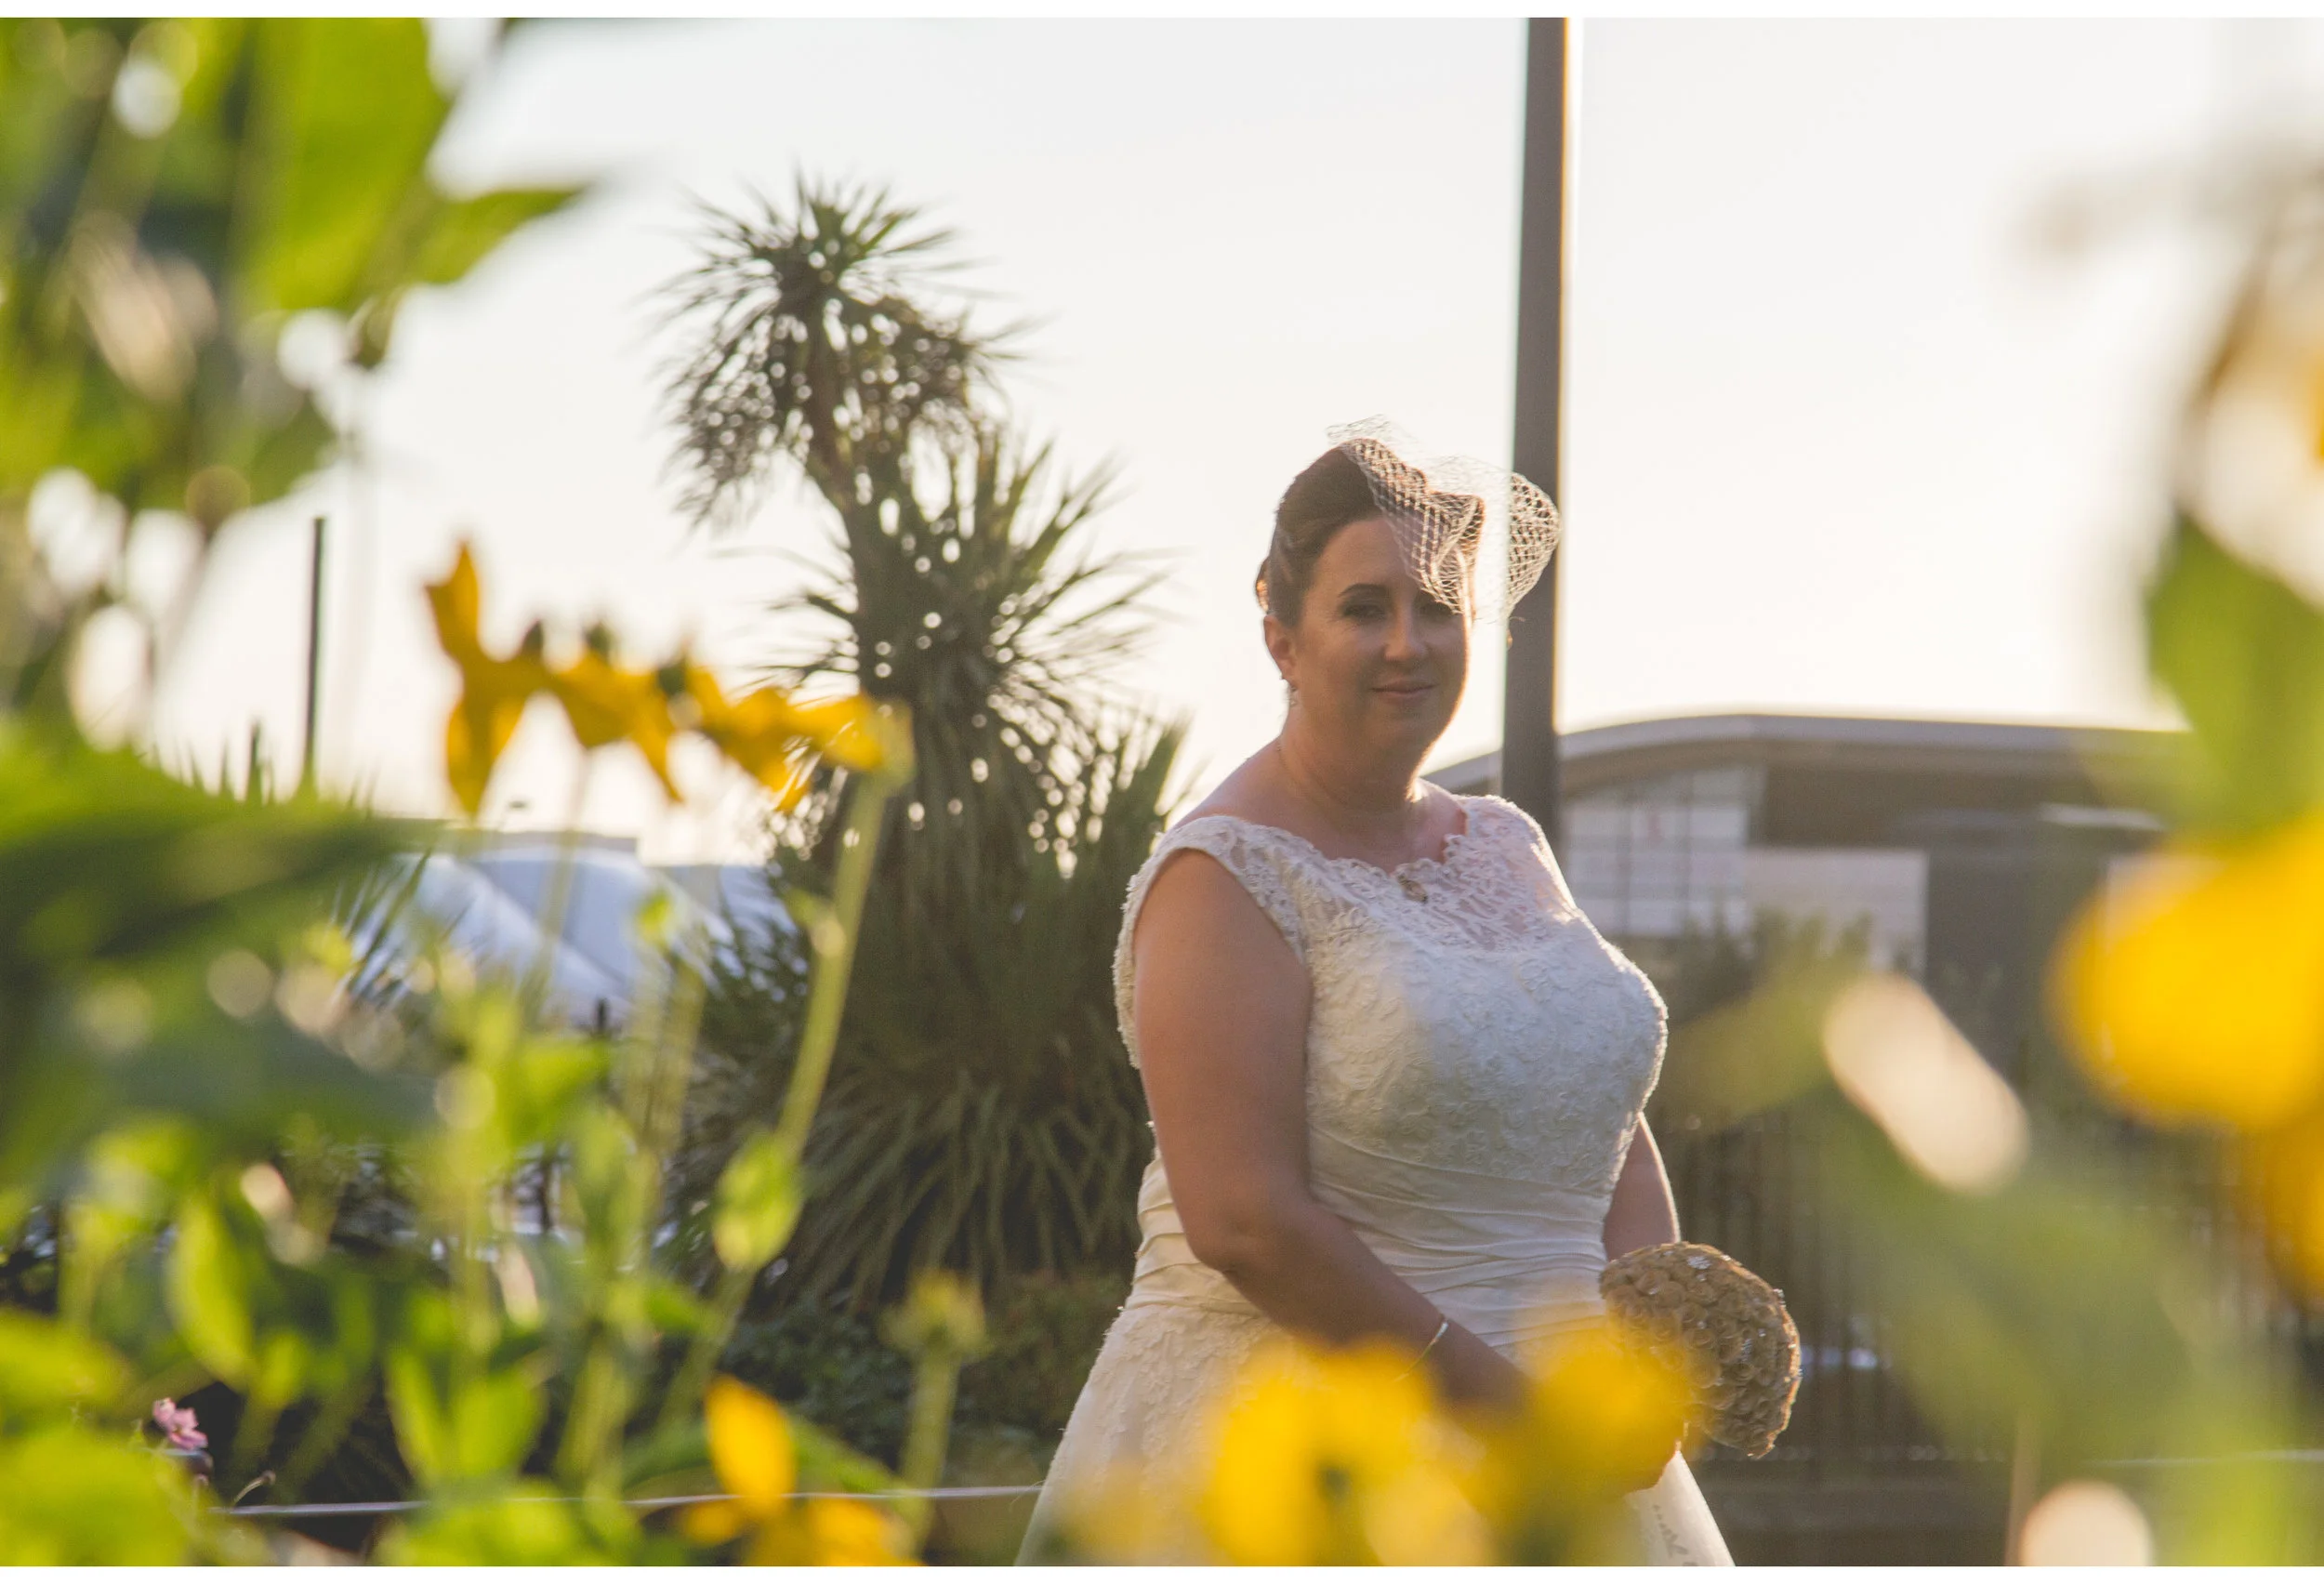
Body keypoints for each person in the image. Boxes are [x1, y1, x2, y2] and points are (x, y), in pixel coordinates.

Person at [1017, 427, 1733, 1564]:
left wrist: (1650, 1342)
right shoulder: (1225, 873)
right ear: (1281, 639)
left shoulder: (1507, 843)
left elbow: (1600, 1113)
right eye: (1364, 608)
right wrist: (1511, 1415)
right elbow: (1245, 1222)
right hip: (1313, 1448)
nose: (1409, 643)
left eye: (1439, 607)